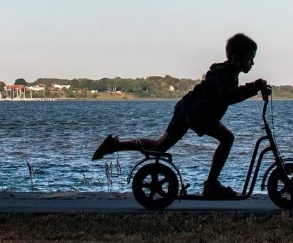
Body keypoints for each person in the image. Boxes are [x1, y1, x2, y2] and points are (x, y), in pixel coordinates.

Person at [91, 33, 267, 198]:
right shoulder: (224, 74)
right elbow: (228, 96)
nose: (252, 63)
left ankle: (115, 145)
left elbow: (229, 94)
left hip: (188, 109)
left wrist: (253, 88)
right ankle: (211, 185)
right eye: (250, 58)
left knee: (159, 146)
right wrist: (253, 88)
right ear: (236, 58)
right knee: (227, 138)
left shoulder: (228, 73)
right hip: (197, 113)